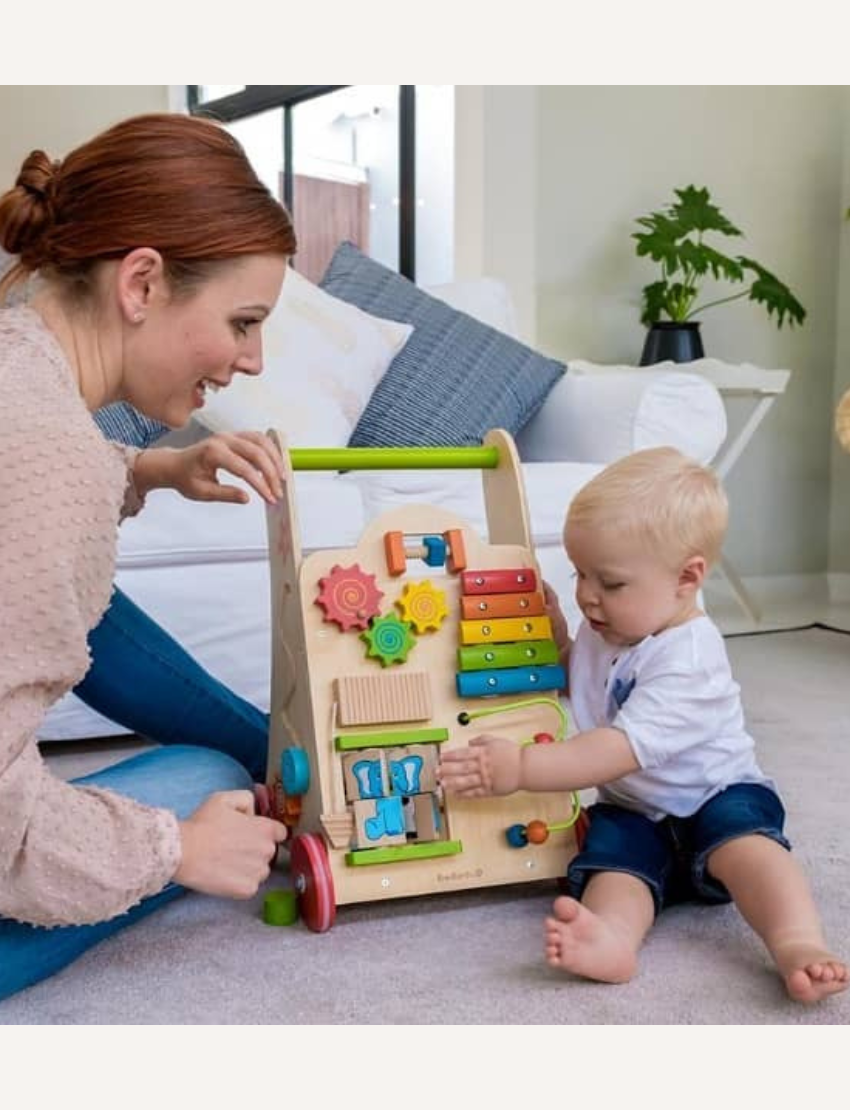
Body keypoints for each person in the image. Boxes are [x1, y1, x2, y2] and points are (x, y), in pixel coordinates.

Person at [0, 112, 297, 1001]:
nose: (252, 359)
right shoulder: (48, 456)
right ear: (141, 282)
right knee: (207, 784)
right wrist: (178, 850)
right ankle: (272, 771)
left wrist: (155, 468)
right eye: (243, 322)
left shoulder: (22, 367)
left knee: (103, 613)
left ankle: (281, 760)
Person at [439, 447, 848, 1004]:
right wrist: (553, 638)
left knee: (748, 849)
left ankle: (798, 941)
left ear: (687, 578)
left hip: (715, 796)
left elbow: (614, 749)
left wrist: (521, 768)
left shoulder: (690, 657)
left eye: (609, 582)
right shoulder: (604, 627)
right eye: (580, 573)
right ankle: (612, 939)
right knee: (614, 868)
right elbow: (576, 684)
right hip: (636, 810)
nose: (587, 594)